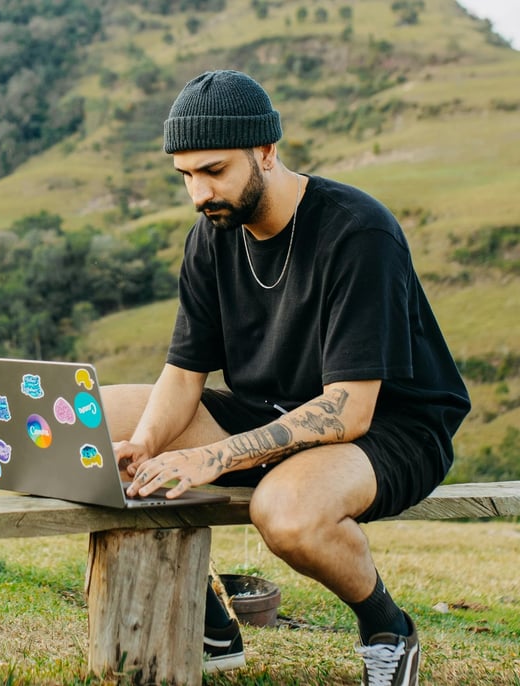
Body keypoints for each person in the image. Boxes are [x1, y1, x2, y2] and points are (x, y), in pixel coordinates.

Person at [101, 70, 470, 685]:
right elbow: (184, 372)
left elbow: (349, 410)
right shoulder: (212, 234)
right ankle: (213, 619)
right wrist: (145, 444)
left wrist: (214, 456)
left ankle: (387, 628)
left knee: (288, 513)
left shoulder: (358, 231)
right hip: (267, 413)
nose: (198, 193)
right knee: (94, 422)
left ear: (266, 152)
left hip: (388, 426)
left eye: (214, 171)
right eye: (186, 176)